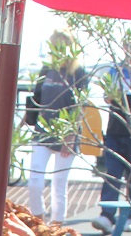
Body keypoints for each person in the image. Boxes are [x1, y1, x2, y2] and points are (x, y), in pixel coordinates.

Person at [23, 29, 88, 224]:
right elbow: (36, 99)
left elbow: (80, 106)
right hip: (43, 131)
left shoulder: (78, 73)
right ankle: (38, 219)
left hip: (66, 133)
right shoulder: (47, 70)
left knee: (59, 183)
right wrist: (23, 122)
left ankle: (58, 223)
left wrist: (71, 137)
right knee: (35, 180)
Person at [91, 38, 131, 235]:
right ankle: (107, 216)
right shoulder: (115, 69)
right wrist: (113, 94)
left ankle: (130, 216)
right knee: (112, 173)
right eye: (127, 44)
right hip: (115, 130)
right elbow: (107, 98)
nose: (130, 48)